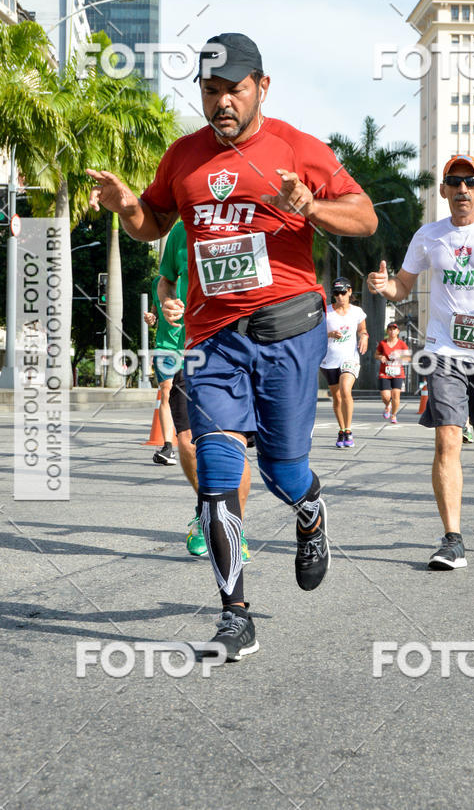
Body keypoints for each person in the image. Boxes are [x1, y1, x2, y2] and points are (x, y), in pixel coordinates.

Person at [88, 32, 376, 660]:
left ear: (261, 88)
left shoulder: (297, 148)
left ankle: (310, 510)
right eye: (211, 90)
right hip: (212, 338)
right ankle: (234, 614)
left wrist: (312, 207)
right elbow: (153, 225)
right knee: (218, 471)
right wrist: (126, 205)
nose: (221, 102)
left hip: (288, 332)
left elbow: (365, 216)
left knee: (281, 470)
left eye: (233, 90)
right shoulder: (183, 156)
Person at [368, 153, 474, 571]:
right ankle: (451, 539)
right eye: (454, 181)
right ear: (443, 190)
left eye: (471, 181)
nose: (462, 189)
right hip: (445, 352)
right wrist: (382, 286)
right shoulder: (428, 236)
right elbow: (402, 285)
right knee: (447, 439)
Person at [157, 220, 251, 561]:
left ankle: (233, 529)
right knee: (186, 441)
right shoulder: (180, 230)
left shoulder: (248, 221)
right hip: (188, 350)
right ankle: (207, 511)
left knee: (231, 444)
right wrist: (167, 302)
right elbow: (166, 280)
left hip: (234, 350)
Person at [320, 277, 368, 448]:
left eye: (343, 292)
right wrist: (330, 334)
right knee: (337, 398)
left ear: (349, 292)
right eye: (336, 293)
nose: (339, 296)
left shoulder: (357, 312)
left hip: (350, 358)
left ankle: (348, 430)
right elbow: (316, 334)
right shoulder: (326, 312)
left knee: (345, 389)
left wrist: (364, 337)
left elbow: (363, 329)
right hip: (329, 360)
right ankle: (341, 430)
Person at [144, 275, 179, 465]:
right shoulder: (157, 282)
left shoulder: (193, 276)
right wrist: (152, 318)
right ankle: (168, 447)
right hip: (164, 346)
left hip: (190, 345)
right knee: (166, 392)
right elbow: (155, 311)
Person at [374, 322, 411, 424]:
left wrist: (399, 356)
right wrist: (380, 357)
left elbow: (407, 358)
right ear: (387, 331)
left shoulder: (402, 344)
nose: (392, 331)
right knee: (385, 396)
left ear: (398, 331)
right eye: (390, 329)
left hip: (398, 373)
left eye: (394, 329)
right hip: (384, 372)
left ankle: (394, 415)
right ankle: (387, 405)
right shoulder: (383, 343)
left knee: (395, 395)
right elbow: (376, 355)